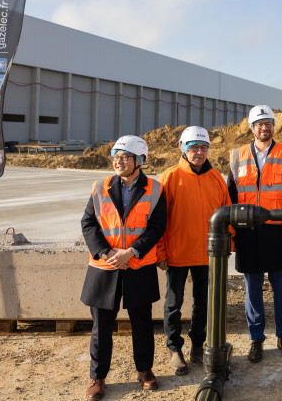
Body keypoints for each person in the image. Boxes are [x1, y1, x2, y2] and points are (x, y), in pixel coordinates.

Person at [80, 135, 167, 400]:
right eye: (115, 157)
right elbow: (88, 223)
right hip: (105, 266)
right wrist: (107, 253)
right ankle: (97, 377)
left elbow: (157, 227)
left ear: (139, 161)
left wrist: (131, 252)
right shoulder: (100, 187)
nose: (118, 161)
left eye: (124, 157)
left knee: (142, 323)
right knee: (101, 326)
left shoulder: (155, 189)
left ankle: (145, 370)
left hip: (138, 265)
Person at [226, 105, 282, 363]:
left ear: (274, 126)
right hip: (248, 231)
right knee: (252, 290)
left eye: (268, 123)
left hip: (278, 229)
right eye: (260, 124)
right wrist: (230, 230)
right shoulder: (237, 156)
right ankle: (256, 340)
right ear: (252, 128)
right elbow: (230, 194)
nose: (264, 128)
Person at [156, 126, 231, 376]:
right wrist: (160, 252)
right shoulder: (170, 177)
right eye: (194, 147)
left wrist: (228, 244)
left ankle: (198, 345)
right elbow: (157, 220)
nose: (199, 152)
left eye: (203, 147)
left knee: (203, 302)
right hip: (177, 253)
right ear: (183, 148)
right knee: (174, 303)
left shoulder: (216, 178)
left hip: (208, 253)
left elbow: (226, 213)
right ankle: (174, 349)